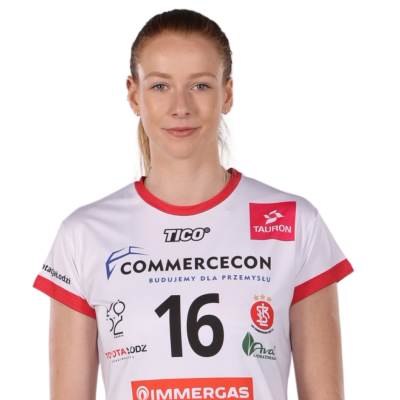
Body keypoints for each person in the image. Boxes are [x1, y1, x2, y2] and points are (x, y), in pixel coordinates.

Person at [32, 8, 355, 400]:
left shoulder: (295, 222)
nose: (181, 106)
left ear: (228, 93)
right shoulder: (82, 233)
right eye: (160, 86)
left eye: (200, 85)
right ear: (133, 95)